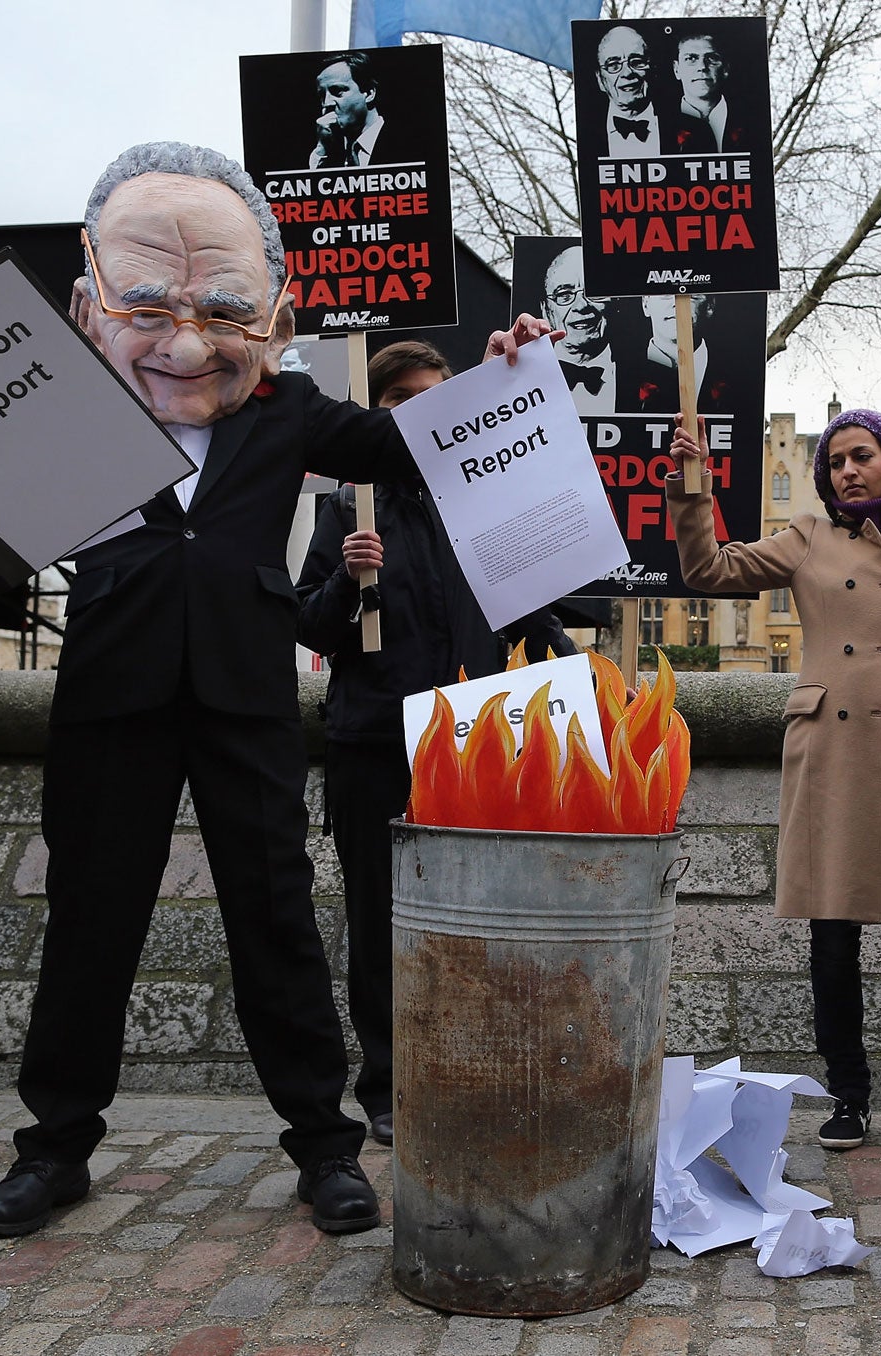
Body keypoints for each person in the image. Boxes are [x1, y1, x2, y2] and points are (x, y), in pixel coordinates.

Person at [0, 141, 555, 1241]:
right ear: (91, 299)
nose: (185, 338)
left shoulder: (285, 409)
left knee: (274, 921)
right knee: (90, 922)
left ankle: (323, 1148)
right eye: (147, 303)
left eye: (222, 310)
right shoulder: (55, 399)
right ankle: (54, 1148)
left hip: (244, 698)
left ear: (271, 313)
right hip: (109, 695)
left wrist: (504, 374)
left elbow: (412, 443)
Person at [667, 408, 881, 1157]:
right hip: (831, 752)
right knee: (832, 940)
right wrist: (692, 488)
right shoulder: (806, 536)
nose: (846, 472)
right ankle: (849, 1094)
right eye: (834, 462)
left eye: (860, 456)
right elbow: (709, 571)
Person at [295, 339, 575, 1147]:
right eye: (402, 398)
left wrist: (579, 673)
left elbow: (528, 615)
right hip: (375, 743)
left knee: (479, 919)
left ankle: (468, 1065)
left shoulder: (483, 507)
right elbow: (307, 621)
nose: (422, 409)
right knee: (380, 921)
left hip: (471, 746)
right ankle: (387, 1085)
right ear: (374, 412)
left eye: (436, 394)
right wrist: (347, 581)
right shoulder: (347, 511)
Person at [585, 26, 708, 159]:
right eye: (614, 65)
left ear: (652, 69)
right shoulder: (586, 136)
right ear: (600, 79)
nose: (627, 73)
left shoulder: (695, 131)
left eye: (637, 62)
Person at [542, 245, 624, 415]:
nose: (582, 305)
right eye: (564, 294)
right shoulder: (520, 382)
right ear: (546, 310)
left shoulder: (657, 380)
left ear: (616, 303)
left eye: (595, 293)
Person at [308, 52, 413, 169]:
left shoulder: (407, 143)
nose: (327, 103)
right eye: (322, 95)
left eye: (337, 91)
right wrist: (322, 149)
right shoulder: (326, 154)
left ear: (369, 94)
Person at [675, 33, 744, 151]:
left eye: (711, 58)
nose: (702, 67)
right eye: (691, 58)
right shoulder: (658, 124)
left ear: (725, 69)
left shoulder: (750, 121)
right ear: (677, 69)